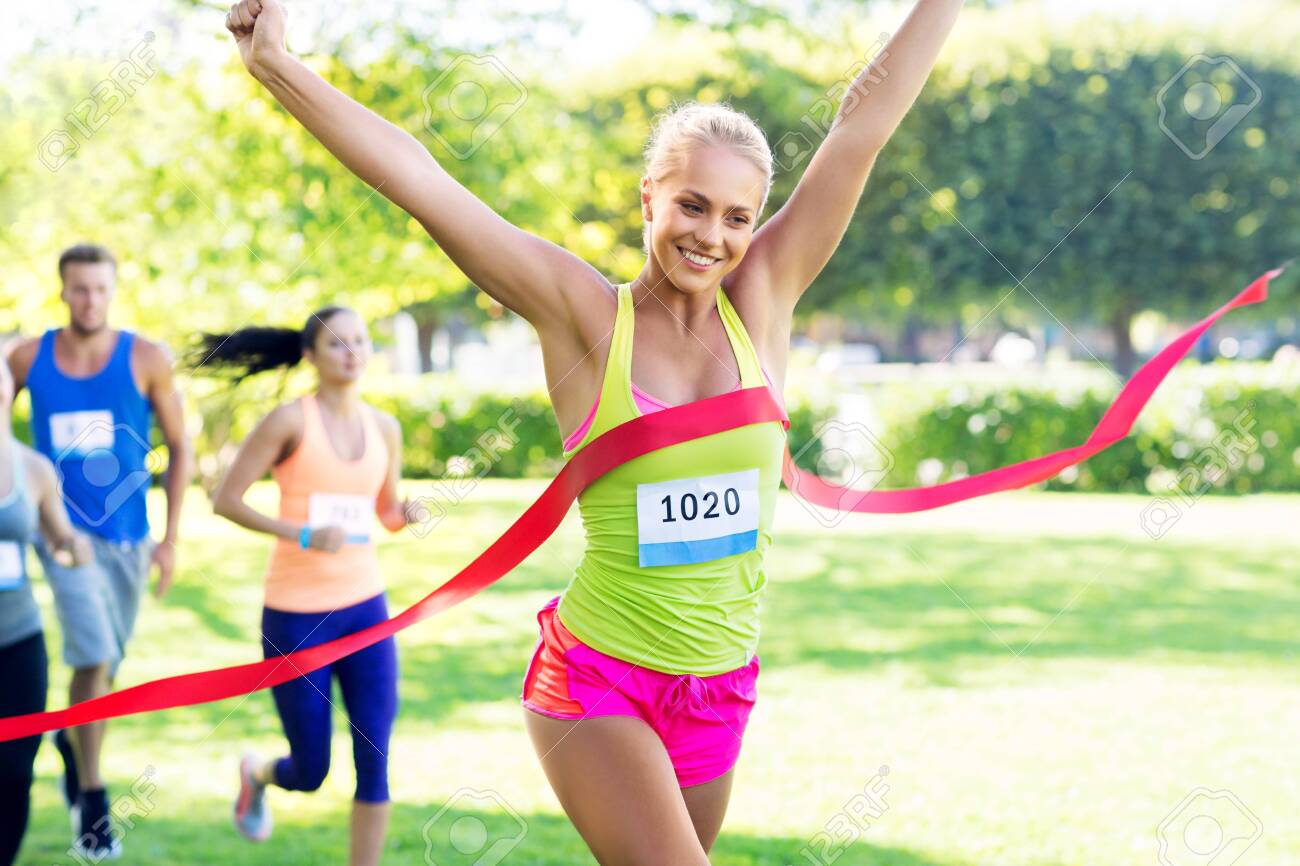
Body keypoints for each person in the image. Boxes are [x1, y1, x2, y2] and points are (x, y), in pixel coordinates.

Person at [226, 0, 962, 861]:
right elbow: (421, 182)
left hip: (720, 685)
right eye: (691, 204)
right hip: (598, 680)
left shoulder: (764, 301)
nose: (710, 235)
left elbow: (860, 126)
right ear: (649, 194)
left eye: (736, 216)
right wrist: (277, 65)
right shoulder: (583, 317)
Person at [203, 307, 418, 866]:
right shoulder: (289, 422)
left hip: (367, 611)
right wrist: (298, 533)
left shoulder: (384, 428)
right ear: (311, 356)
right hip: (296, 617)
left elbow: (385, 513)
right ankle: (259, 772)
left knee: (375, 759)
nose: (352, 352)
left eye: (360, 341)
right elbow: (226, 500)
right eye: (337, 344)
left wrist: (405, 514)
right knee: (311, 770)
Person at [5, 243, 193, 859]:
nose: (90, 300)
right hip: (59, 536)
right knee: (95, 653)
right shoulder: (30, 357)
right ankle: (92, 798)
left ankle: (69, 741)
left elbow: (181, 448)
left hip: (127, 539)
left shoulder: (145, 357)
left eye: (100, 289)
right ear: (62, 290)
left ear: (113, 291)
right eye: (79, 288)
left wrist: (168, 539)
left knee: (106, 667)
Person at [0, 354, 94, 866]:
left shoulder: (31, 468)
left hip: (18, 641)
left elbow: (59, 539)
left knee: (15, 770)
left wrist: (74, 548)